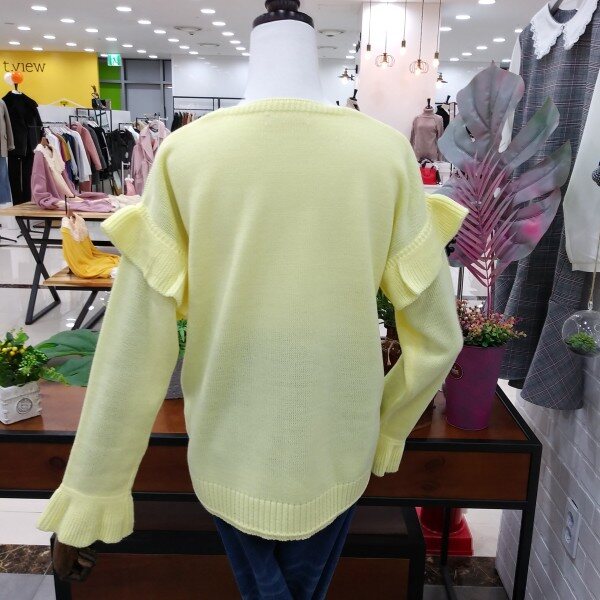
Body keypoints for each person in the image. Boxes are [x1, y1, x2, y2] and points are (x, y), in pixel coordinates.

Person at [38, 2, 467, 597]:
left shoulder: (186, 155)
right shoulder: (384, 153)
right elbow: (439, 338)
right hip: (338, 448)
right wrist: (388, 425)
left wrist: (93, 489)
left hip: (227, 451)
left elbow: (136, 340)